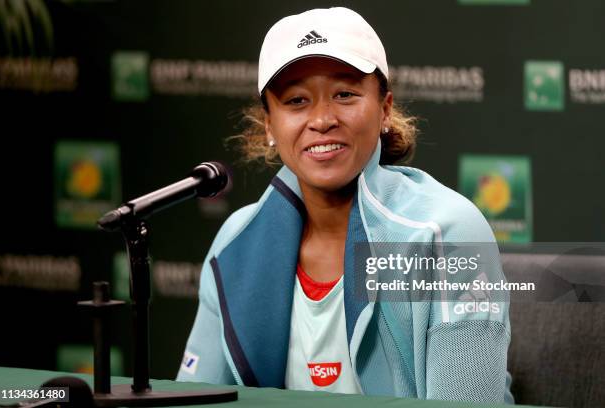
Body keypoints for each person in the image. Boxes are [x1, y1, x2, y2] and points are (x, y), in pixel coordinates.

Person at [177, 7, 513, 404]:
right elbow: (192, 399)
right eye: (296, 100)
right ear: (269, 124)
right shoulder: (236, 241)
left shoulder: (448, 233)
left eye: (345, 94)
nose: (321, 119)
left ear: (385, 108)